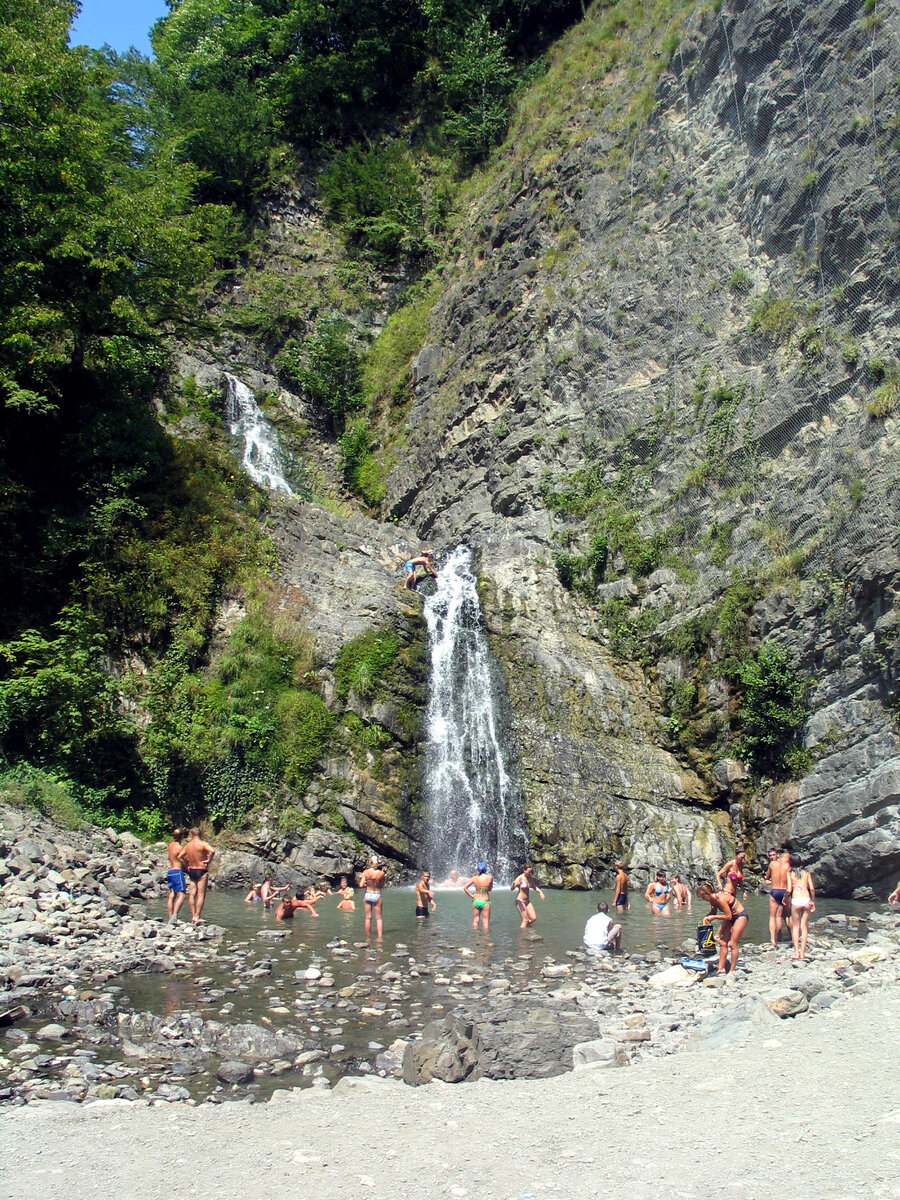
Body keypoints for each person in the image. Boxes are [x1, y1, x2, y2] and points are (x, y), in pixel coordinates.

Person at [697, 881, 749, 975]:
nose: (703, 899)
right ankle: (721, 968)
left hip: (740, 916)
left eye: (703, 897)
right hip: (730, 918)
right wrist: (706, 918)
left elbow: (728, 916)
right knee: (722, 942)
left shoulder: (721, 899)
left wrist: (714, 918)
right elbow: (714, 911)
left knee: (732, 944)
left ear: (708, 894)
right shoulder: (712, 900)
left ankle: (732, 971)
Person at [179, 827, 216, 924]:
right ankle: (197, 916)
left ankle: (193, 916)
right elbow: (212, 851)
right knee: (201, 894)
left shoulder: (188, 845)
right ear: (200, 834)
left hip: (192, 870)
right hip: (201, 870)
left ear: (191, 834)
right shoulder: (203, 844)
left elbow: (179, 857)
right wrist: (208, 860)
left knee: (192, 894)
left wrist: (186, 865)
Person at [787, 855, 816, 961]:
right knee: (804, 926)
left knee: (795, 927)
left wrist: (785, 898)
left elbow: (789, 890)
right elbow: (812, 888)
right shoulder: (807, 872)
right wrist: (812, 901)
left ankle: (796, 952)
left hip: (796, 899)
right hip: (806, 899)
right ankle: (803, 953)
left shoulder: (790, 873)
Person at [764, 847, 791, 947]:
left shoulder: (772, 864)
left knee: (773, 917)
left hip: (774, 892)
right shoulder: (788, 866)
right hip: (785, 891)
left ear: (778, 855)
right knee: (787, 916)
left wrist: (772, 881)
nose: (771, 857)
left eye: (773, 855)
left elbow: (766, 879)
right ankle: (792, 936)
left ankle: (773, 940)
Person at [360, 856, 386, 938]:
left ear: (370, 862)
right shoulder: (381, 873)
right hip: (377, 894)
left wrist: (366, 884)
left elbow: (360, 885)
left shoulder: (365, 872)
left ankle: (368, 937)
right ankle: (380, 937)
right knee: (378, 918)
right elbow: (382, 885)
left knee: (368, 918)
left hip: (368, 893)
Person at [511, 865, 544, 929]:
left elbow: (534, 887)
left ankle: (525, 927)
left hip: (527, 901)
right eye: (529, 872)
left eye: (531, 872)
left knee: (534, 918)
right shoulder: (520, 878)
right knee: (525, 920)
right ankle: (523, 935)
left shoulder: (530, 877)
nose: (530, 873)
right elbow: (512, 888)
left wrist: (540, 893)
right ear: (524, 870)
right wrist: (513, 884)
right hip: (520, 901)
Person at [166, 828, 188, 922]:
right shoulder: (180, 848)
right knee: (182, 895)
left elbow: (169, 857)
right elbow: (183, 859)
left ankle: (170, 917)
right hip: (177, 872)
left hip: (170, 871)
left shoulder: (170, 845)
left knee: (172, 894)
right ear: (182, 837)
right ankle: (174, 916)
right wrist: (186, 867)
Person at [464, 862, 493, 931]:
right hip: (485, 901)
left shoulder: (474, 878)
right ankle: (485, 939)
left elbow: (465, 888)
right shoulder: (490, 878)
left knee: (475, 920)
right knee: (485, 921)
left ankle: (475, 937)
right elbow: (490, 889)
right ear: (486, 869)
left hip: (476, 901)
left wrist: (471, 896)